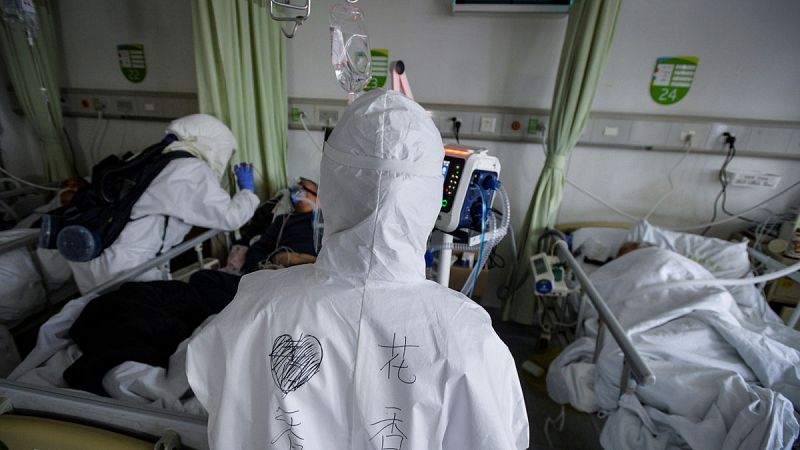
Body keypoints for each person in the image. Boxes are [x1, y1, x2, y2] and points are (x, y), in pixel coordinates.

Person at [186, 90, 529, 449]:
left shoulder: (253, 308)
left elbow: (211, 388)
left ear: (332, 186)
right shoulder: (467, 336)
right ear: (428, 197)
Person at [67, 114, 260, 294]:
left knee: (98, 320)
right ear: (214, 146)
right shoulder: (188, 170)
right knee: (133, 323)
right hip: (128, 265)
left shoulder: (154, 155)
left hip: (98, 250)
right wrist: (247, 191)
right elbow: (230, 217)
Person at [188, 177, 320, 310]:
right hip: (272, 276)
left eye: (304, 188)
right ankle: (247, 311)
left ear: (319, 196)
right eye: (296, 188)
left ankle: (248, 310)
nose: (298, 192)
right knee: (201, 278)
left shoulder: (328, 221)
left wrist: (299, 260)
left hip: (305, 277)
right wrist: (261, 267)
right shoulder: (282, 220)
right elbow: (258, 247)